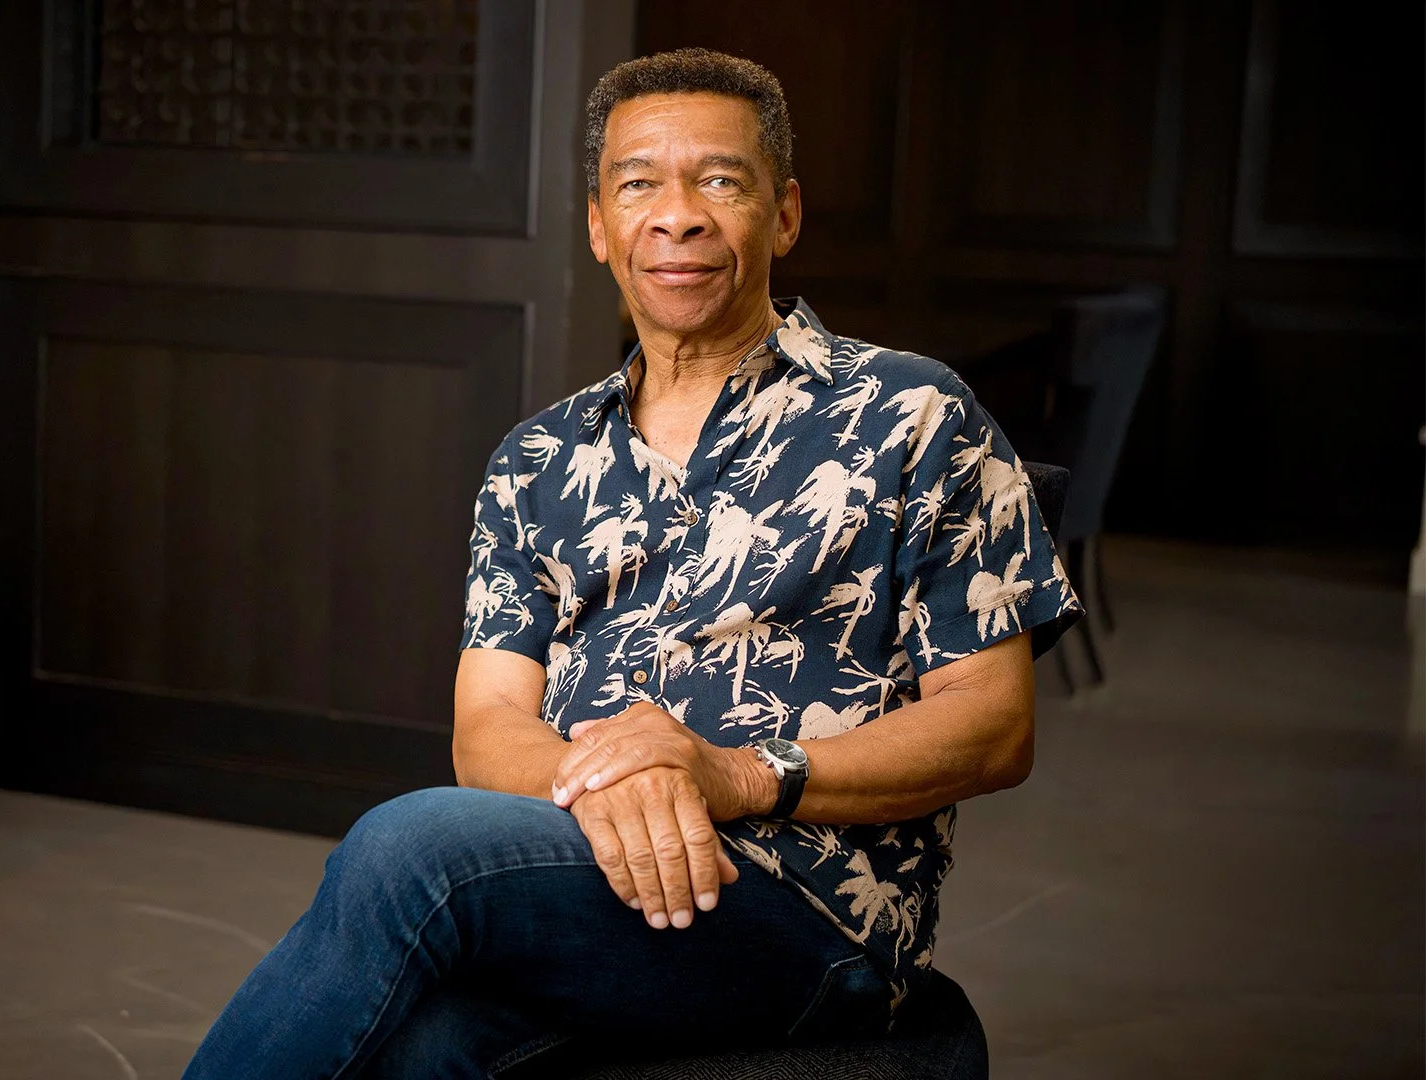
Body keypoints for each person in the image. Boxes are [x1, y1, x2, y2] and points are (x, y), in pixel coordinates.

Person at [182, 47, 1080, 1079]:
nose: (679, 213)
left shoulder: (914, 415)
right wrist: (620, 788)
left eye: (721, 179)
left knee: (408, 852)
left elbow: (994, 725)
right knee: (419, 1053)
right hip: (585, 879)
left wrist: (735, 776)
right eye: (639, 182)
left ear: (783, 215)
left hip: (805, 915)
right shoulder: (536, 460)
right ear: (601, 226)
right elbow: (487, 731)